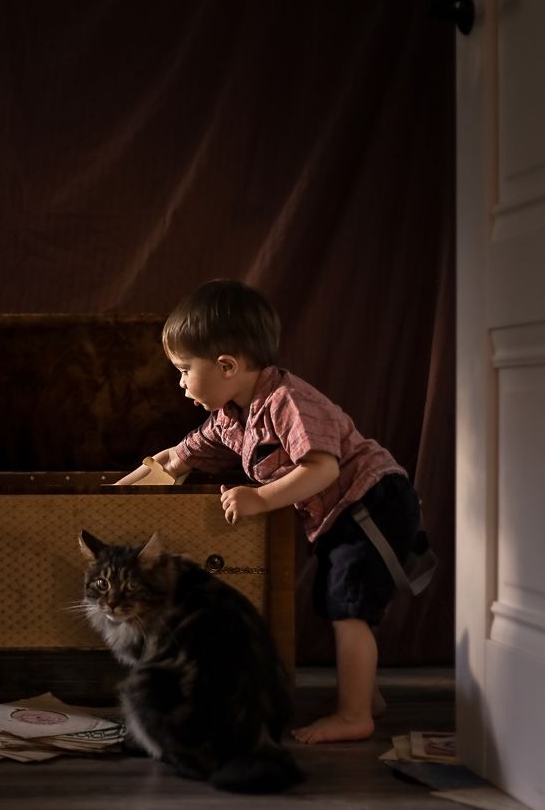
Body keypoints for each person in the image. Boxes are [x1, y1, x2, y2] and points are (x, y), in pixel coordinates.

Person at [116, 279, 422, 743]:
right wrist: (112, 494)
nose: (179, 383)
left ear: (226, 365)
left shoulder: (288, 401)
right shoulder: (229, 417)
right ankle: (366, 697)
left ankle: (355, 715)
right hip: (344, 515)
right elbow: (176, 459)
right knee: (336, 601)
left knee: (348, 607)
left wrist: (259, 498)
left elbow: (322, 468)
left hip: (374, 503)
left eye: (183, 370)